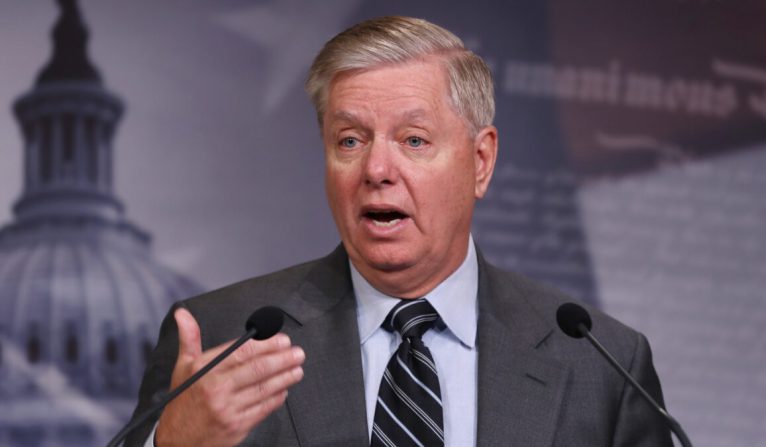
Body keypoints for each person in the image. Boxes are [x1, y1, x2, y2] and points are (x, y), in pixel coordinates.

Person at [126, 16, 673, 446]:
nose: (376, 169)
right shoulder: (224, 339)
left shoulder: (601, 364)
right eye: (349, 140)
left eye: (413, 140)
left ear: (480, 161)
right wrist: (175, 443)